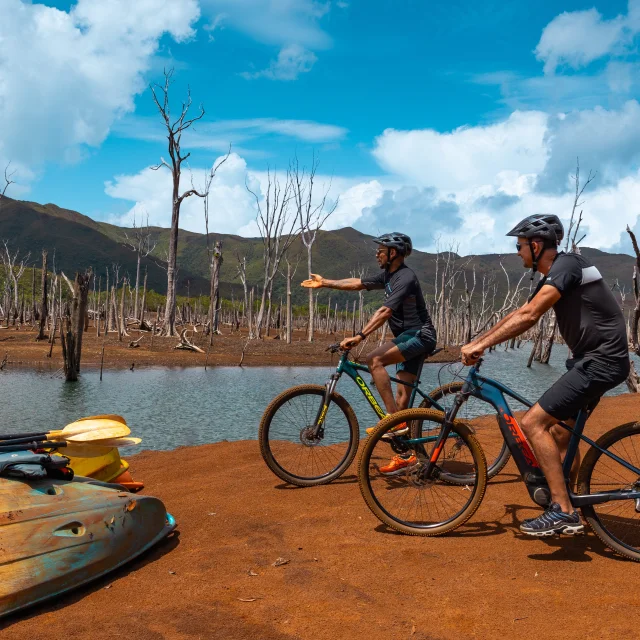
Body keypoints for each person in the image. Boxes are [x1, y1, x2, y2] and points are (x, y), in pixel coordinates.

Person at [461, 214, 629, 536]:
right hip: (591, 361)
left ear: (536, 246)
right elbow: (518, 314)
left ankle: (562, 510)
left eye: (520, 246)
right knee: (562, 434)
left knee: (533, 423)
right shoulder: (557, 273)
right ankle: (573, 502)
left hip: (600, 362)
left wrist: (481, 344)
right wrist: (479, 342)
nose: (518, 252)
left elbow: (530, 314)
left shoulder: (567, 266)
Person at [301, 232, 437, 475]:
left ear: (393, 253)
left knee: (374, 360)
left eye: (381, 250)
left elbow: (384, 311)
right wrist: (325, 282)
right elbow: (358, 283)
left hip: (419, 336)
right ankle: (406, 454)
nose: (377, 254)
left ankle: (393, 422)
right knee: (402, 400)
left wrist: (359, 336)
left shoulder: (405, 277)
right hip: (408, 338)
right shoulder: (388, 275)